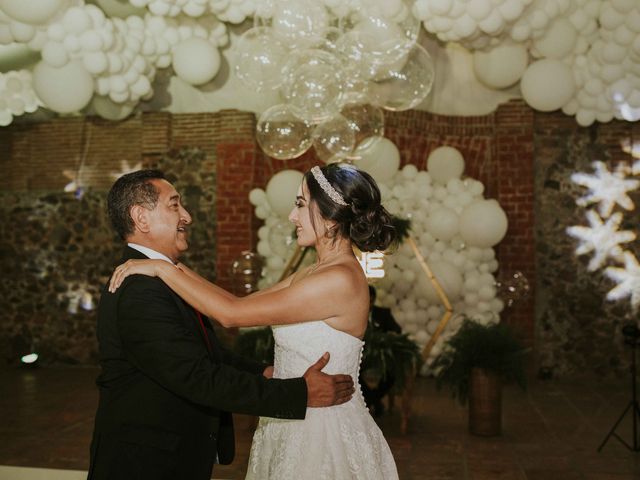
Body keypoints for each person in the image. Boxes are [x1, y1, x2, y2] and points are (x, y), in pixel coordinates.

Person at [109, 163, 400, 479]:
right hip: (293, 418)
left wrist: (163, 269)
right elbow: (238, 304)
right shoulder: (311, 273)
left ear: (330, 217)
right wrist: (163, 266)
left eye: (301, 204)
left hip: (323, 426)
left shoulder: (339, 280)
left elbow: (231, 315)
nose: (292, 216)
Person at [360, 285, 402, 417]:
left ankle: (370, 400)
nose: (369, 304)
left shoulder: (383, 313)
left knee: (391, 375)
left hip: (381, 359)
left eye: (371, 300)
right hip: (361, 357)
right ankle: (375, 402)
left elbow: (397, 330)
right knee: (354, 375)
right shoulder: (353, 313)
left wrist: (386, 338)